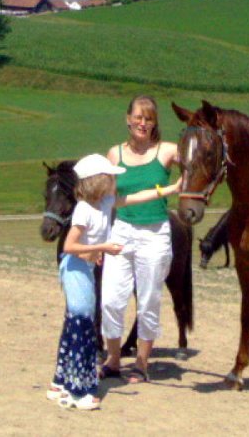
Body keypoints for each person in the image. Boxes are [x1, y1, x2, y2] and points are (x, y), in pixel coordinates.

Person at [47, 153, 180, 410]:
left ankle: (60, 383)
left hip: (83, 268)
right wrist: (102, 247)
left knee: (75, 325)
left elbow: (135, 198)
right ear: (98, 181)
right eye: (111, 177)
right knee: (82, 327)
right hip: (75, 270)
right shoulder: (84, 210)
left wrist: (169, 189)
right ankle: (77, 391)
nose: (116, 180)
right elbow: (69, 246)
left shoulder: (105, 203)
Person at [100, 95, 180, 384]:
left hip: (155, 233)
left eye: (149, 118)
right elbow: (113, 201)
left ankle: (142, 363)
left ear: (155, 123)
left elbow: (199, 158)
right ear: (128, 119)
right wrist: (166, 190)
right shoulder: (115, 155)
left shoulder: (167, 151)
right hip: (122, 230)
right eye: (138, 117)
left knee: (148, 300)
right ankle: (113, 359)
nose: (142, 123)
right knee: (110, 299)